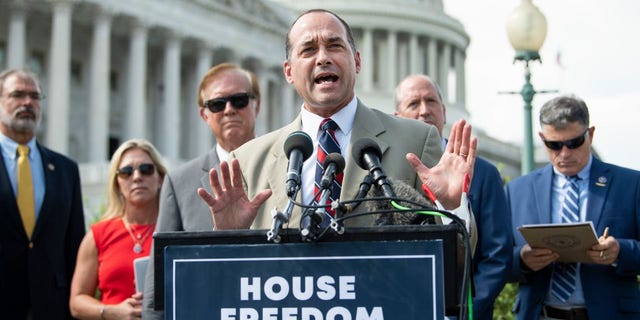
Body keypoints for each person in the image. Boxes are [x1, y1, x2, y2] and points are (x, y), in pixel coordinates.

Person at [197, 9, 476, 233]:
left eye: (334, 46)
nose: (323, 58)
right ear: (289, 71)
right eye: (308, 50)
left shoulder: (415, 141)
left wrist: (452, 208)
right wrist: (226, 236)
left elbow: (457, 262)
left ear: (357, 61)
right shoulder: (247, 162)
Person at [142, 63, 260, 319]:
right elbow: (158, 279)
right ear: (204, 115)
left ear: (256, 105)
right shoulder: (181, 182)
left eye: (239, 100)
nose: (229, 110)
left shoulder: (290, 169)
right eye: (217, 104)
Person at [505, 95, 640, 320]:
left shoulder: (630, 184)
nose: (565, 154)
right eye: (554, 145)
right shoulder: (518, 190)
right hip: (540, 314)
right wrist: (522, 259)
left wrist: (620, 251)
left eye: (574, 143)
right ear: (541, 138)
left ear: (591, 134)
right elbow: (493, 258)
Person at [394, 74, 512, 320]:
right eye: (413, 104)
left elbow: (497, 256)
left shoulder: (484, 173)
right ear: (397, 118)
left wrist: (465, 310)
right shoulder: (389, 174)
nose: (424, 111)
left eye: (431, 101)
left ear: (444, 112)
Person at [0, 69, 86, 320]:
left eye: (35, 96)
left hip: (51, 306)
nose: (27, 103)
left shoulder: (65, 169)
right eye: (17, 95)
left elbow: (74, 245)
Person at [70, 139, 167, 319]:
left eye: (146, 169)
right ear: (117, 183)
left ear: (160, 178)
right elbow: (77, 301)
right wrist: (112, 311)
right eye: (126, 172)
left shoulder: (174, 231)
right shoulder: (98, 235)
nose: (137, 177)